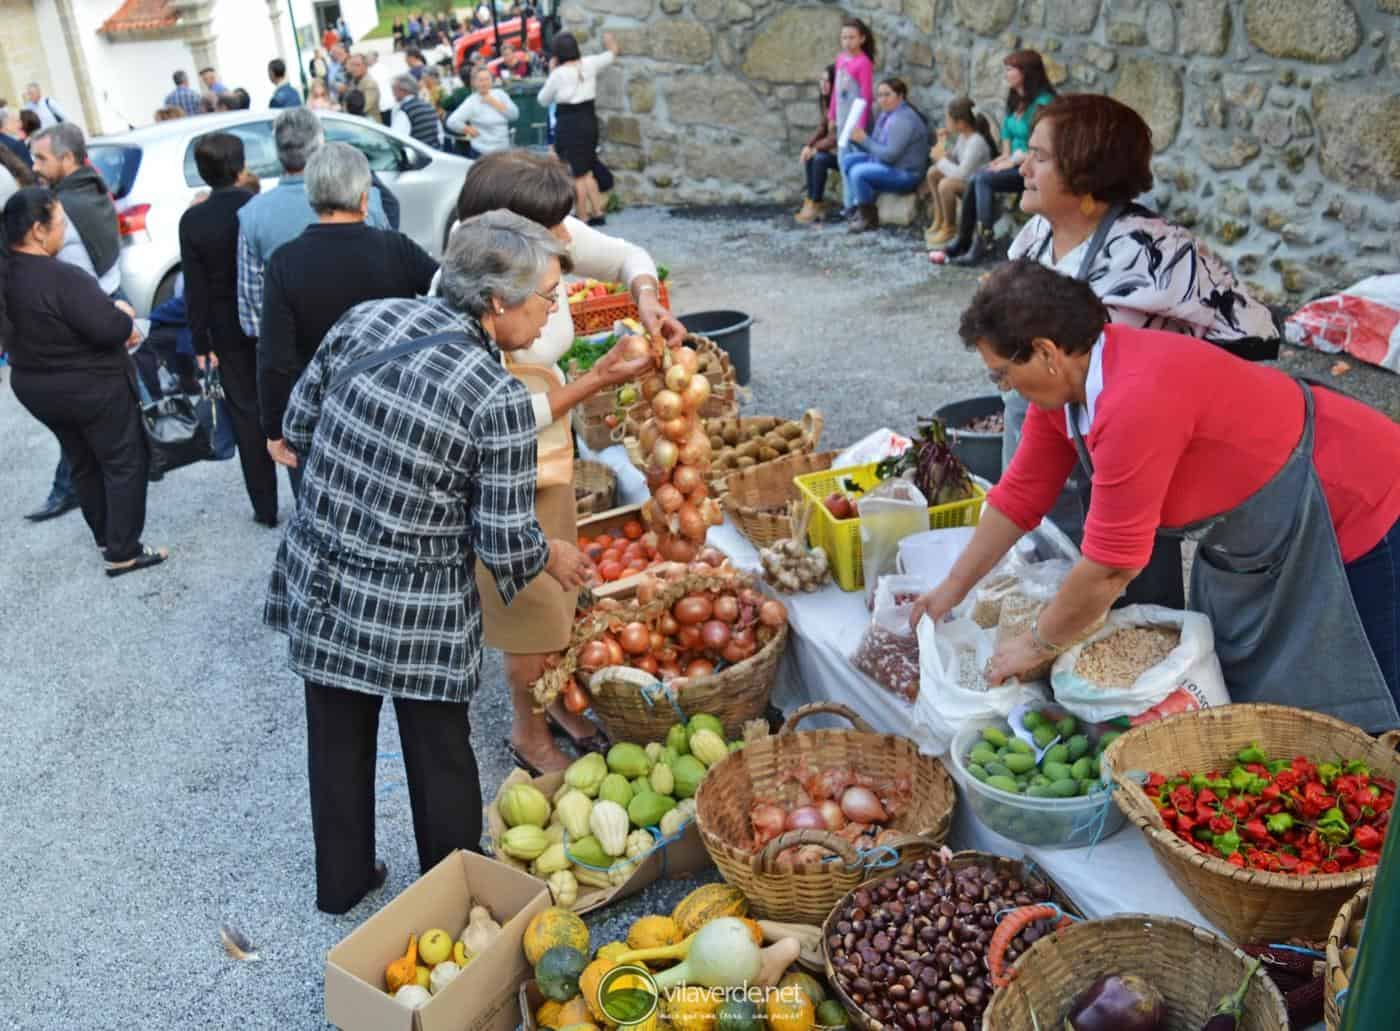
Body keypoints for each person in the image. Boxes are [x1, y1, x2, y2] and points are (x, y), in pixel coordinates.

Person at [910, 259, 1400, 730]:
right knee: (1272, 685)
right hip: (1267, 527)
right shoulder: (1066, 392)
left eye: (1000, 373)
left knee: (1371, 679)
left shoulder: (1133, 399)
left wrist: (1037, 643)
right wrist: (950, 590)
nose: (1003, 385)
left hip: (1356, 496)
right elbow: (1020, 495)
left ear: (1045, 352)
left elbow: (1110, 566)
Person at [264, 210, 590, 914]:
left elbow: (297, 424)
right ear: (498, 303)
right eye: (546, 297)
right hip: (420, 598)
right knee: (438, 746)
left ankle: (342, 882)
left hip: (324, 569)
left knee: (337, 731)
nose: (552, 312)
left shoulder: (367, 318)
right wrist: (553, 553)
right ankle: (451, 896)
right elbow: (505, 542)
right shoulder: (500, 399)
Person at [452, 151, 685, 771]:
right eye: (553, 228)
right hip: (501, 469)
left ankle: (555, 701)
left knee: (562, 592)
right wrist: (596, 380)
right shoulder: (467, 289)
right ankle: (527, 732)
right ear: (507, 227)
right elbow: (489, 424)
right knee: (524, 605)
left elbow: (630, 256)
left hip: (552, 450)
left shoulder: (540, 236)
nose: (566, 238)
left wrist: (646, 300)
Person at [1001, 94, 1281, 607]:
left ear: (1084, 175)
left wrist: (1182, 415)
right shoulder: (1036, 236)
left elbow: (1253, 333)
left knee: (1128, 591)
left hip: (1123, 450)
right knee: (1054, 575)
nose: (1022, 164)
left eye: (1039, 156)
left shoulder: (1154, 253)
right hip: (1050, 443)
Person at [3, 188, 167, 575]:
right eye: (61, 223)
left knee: (83, 460)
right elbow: (108, 329)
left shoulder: (8, 272)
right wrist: (124, 314)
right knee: (123, 460)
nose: (65, 232)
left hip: (36, 387)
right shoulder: (61, 276)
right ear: (38, 231)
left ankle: (105, 537)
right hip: (89, 386)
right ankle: (123, 549)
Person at [258, 143, 438, 495]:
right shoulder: (396, 248)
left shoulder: (284, 261)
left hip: (320, 416)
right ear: (364, 197)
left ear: (311, 197)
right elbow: (447, 293)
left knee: (323, 519)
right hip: (396, 408)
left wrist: (274, 429)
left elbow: (274, 357)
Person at [179, 132, 280, 527]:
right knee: (286, 398)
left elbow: (195, 286)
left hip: (225, 325)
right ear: (241, 167)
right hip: (269, 315)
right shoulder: (257, 206)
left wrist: (200, 339)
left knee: (244, 412)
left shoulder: (194, 219)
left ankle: (265, 506)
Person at [27, 123, 124, 523]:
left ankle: (75, 492)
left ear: (68, 159)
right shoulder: (92, 187)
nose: (34, 166)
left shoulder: (63, 206)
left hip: (84, 317)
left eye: (41, 158)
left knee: (79, 418)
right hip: (104, 305)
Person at [236, 109, 390, 343]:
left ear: (277, 152)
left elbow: (253, 317)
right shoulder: (367, 199)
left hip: (299, 354)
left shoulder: (252, 216)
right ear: (321, 147)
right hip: (370, 341)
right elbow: (393, 273)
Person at [934, 50, 1056, 266]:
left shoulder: (1044, 102)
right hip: (1014, 164)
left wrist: (1012, 161)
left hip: (1033, 167)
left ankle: (982, 242)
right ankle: (965, 241)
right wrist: (1002, 159)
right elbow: (1007, 139)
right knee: (979, 176)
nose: (1006, 74)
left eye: (1010, 69)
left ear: (1026, 72)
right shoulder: (1014, 99)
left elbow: (1044, 145)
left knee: (981, 179)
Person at [537, 31, 618, 227]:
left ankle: (583, 216)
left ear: (557, 53)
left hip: (569, 123)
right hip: (589, 121)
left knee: (577, 175)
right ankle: (597, 212)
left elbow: (542, 100)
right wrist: (610, 41)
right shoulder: (590, 63)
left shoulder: (558, 74)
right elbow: (612, 53)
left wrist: (551, 71)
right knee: (587, 170)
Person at [839, 78, 930, 234]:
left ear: (900, 96)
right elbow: (875, 147)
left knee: (859, 172)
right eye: (879, 95)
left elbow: (889, 155)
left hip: (906, 173)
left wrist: (864, 140)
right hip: (888, 164)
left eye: (887, 95)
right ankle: (860, 206)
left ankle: (868, 218)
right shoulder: (886, 114)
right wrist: (856, 139)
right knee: (848, 161)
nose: (882, 99)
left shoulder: (903, 118)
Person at [923, 96, 995, 248]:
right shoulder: (964, 137)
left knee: (946, 184)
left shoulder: (976, 142)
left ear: (960, 123)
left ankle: (949, 227)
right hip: (966, 180)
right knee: (933, 172)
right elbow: (956, 158)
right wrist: (942, 147)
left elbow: (962, 174)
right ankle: (940, 218)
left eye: (948, 119)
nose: (946, 123)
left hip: (976, 187)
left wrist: (941, 160)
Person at [830, 17, 875, 218]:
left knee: (854, 160)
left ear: (862, 39)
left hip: (855, 121)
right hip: (841, 119)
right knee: (842, 160)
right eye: (844, 37)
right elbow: (835, 92)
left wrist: (861, 126)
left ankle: (858, 203)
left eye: (851, 37)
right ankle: (848, 203)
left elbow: (865, 95)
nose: (847, 41)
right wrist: (831, 115)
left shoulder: (863, 63)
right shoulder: (841, 59)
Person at [795, 66, 838, 224]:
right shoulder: (826, 100)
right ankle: (811, 201)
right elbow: (822, 128)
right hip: (836, 152)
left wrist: (815, 148)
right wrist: (809, 145)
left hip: (849, 155)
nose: (823, 84)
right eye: (822, 80)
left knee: (819, 158)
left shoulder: (841, 104)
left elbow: (835, 138)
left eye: (828, 81)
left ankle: (816, 202)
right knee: (811, 156)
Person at [446, 66, 518, 156]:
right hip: (481, 152)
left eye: (487, 79)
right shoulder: (471, 101)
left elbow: (515, 115)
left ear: (492, 80)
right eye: (480, 80)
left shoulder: (500, 94)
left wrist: (495, 103)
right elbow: (452, 121)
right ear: (475, 83)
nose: (484, 83)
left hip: (503, 150)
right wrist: (468, 129)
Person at [389, 74, 443, 149]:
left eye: (394, 89)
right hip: (435, 153)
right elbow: (440, 136)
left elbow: (396, 140)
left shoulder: (405, 110)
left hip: (418, 156)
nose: (393, 93)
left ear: (404, 90)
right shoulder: (428, 106)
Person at [345, 53, 381, 121]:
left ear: (365, 66)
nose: (354, 68)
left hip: (370, 124)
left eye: (357, 65)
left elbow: (364, 108)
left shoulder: (370, 84)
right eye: (352, 65)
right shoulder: (353, 81)